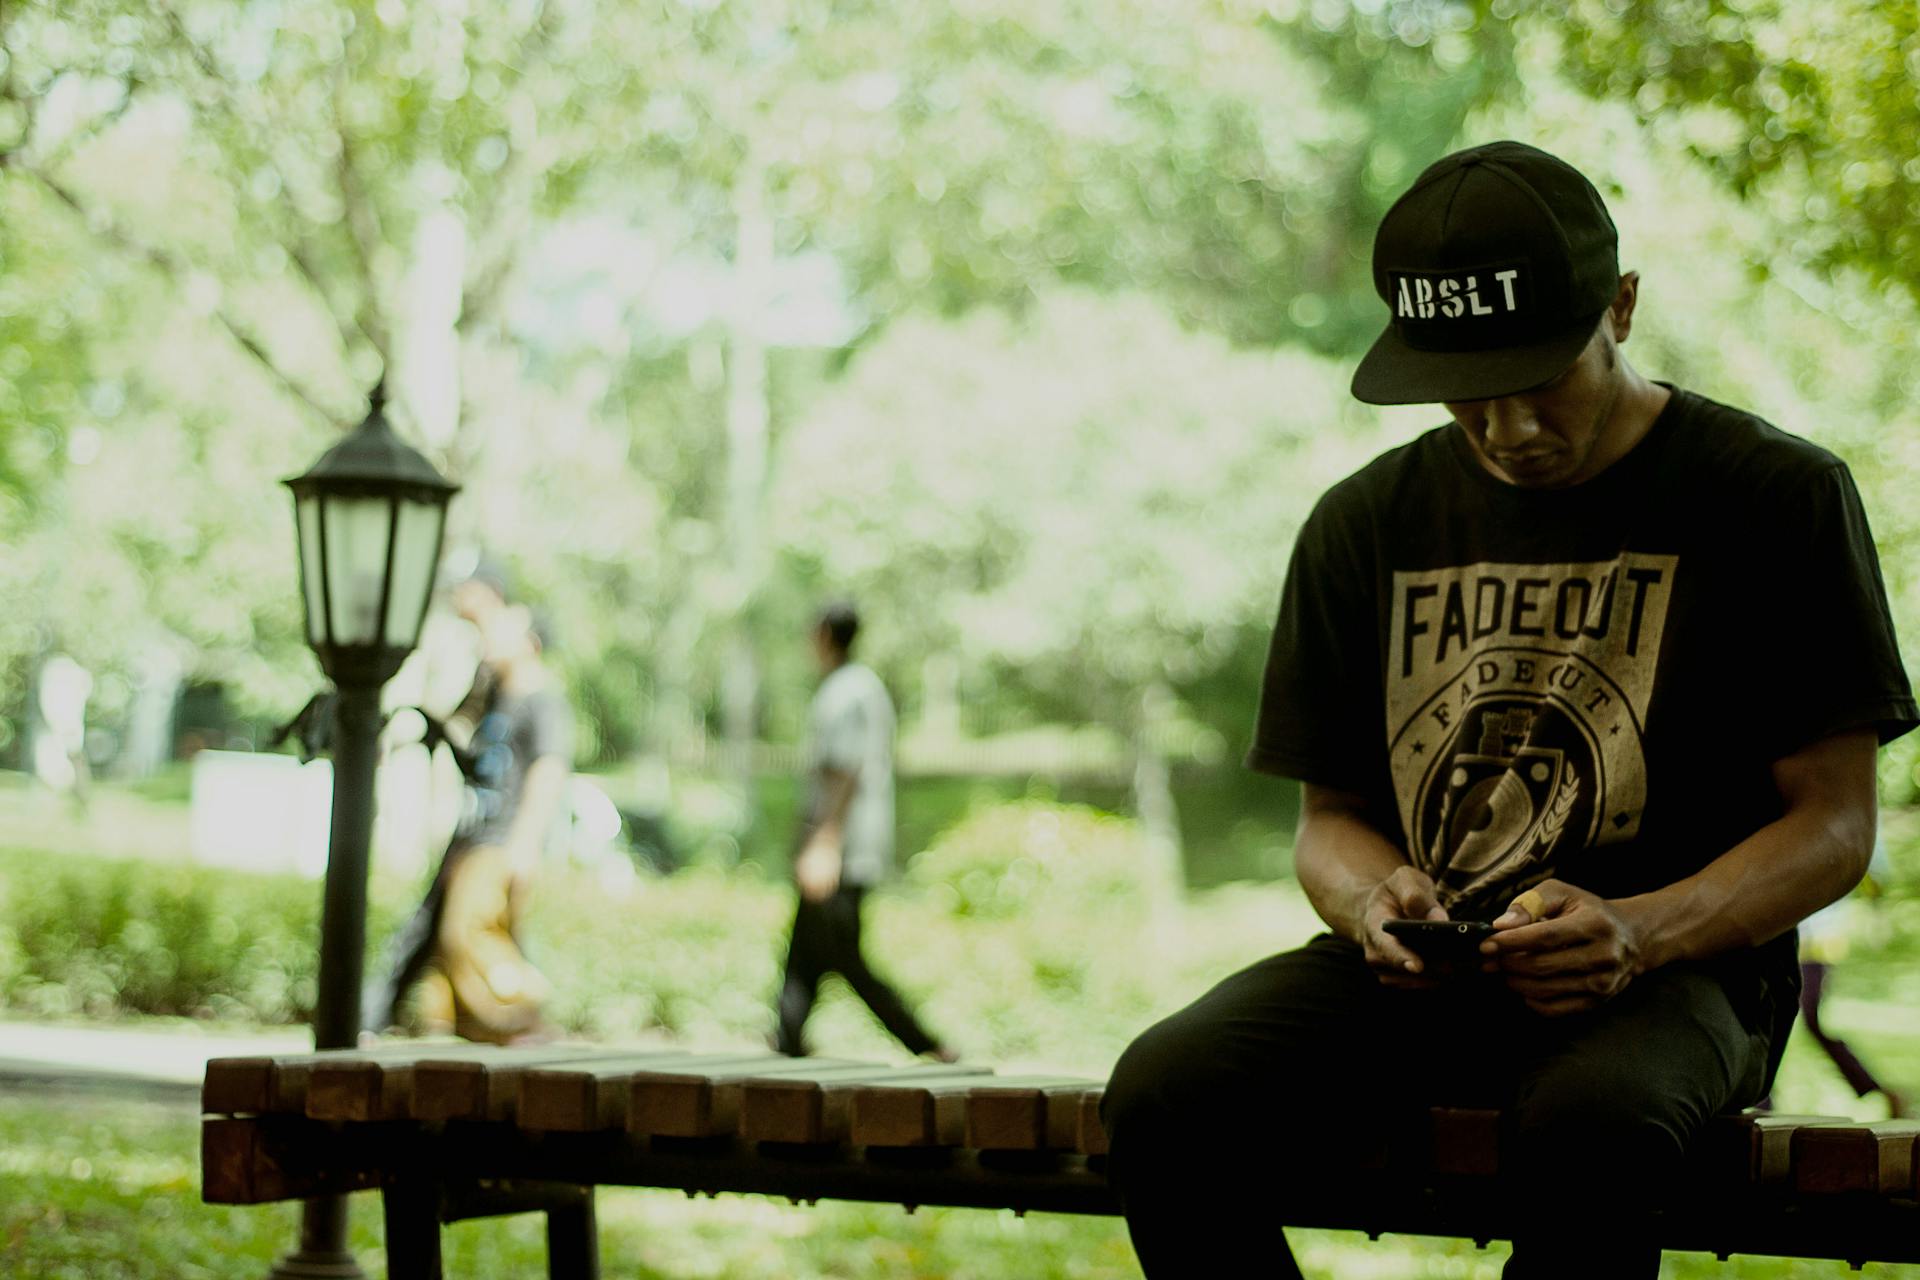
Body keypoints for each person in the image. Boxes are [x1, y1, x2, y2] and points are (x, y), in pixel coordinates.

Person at [1101, 140, 1917, 1279]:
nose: (1510, 429)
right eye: (1470, 395)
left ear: (1620, 308)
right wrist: (1368, 902)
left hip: (1680, 980)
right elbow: (1327, 819)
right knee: (1162, 1092)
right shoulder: (1363, 521)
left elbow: (1835, 824)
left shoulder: (1774, 496)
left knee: (1592, 1126)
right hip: (1427, 983)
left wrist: (1640, 930)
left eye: (1545, 380)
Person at [367, 598, 573, 1043]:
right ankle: (456, 1030)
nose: (492, 636)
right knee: (445, 942)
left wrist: (526, 842)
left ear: (530, 642)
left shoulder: (543, 700)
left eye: (506, 628)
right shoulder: (496, 695)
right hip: (474, 837)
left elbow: (548, 769)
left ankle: (524, 1020)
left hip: (503, 840)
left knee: (468, 932)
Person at [774, 602, 954, 1061]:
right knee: (805, 957)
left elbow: (844, 772)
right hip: (842, 848)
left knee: (843, 957)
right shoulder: (856, 688)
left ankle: (925, 1044)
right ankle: (787, 1043)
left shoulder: (847, 692)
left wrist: (823, 842)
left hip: (844, 852)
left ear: (823, 634)